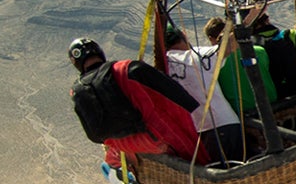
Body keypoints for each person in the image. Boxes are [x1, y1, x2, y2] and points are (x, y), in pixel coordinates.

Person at [68, 37, 199, 169]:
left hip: (126, 149)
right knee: (200, 153)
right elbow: (176, 93)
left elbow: (94, 136)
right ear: (99, 52)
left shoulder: (77, 91)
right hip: (158, 136)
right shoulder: (127, 69)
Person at [164, 25, 247, 164]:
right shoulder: (197, 56)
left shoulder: (162, 67)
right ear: (184, 36)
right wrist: (248, 19)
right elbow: (228, 46)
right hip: (223, 124)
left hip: (195, 134)